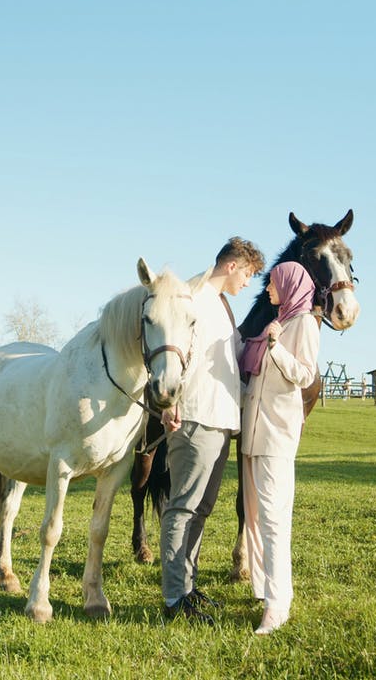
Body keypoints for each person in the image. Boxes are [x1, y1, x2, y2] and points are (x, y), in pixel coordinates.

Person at [160, 236, 265, 624]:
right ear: (232, 265)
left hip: (220, 420)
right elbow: (171, 352)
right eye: (248, 274)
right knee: (183, 507)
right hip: (195, 416)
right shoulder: (192, 296)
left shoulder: (221, 305)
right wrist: (169, 401)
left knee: (201, 509)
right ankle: (174, 599)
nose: (247, 283)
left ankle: (188, 588)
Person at [240, 261, 320, 635]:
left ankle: (278, 603)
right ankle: (262, 588)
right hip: (252, 436)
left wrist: (275, 347)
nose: (269, 289)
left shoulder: (303, 323)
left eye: (273, 283)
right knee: (254, 518)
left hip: (276, 436)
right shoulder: (279, 320)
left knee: (273, 518)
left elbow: (304, 374)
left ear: (289, 285)